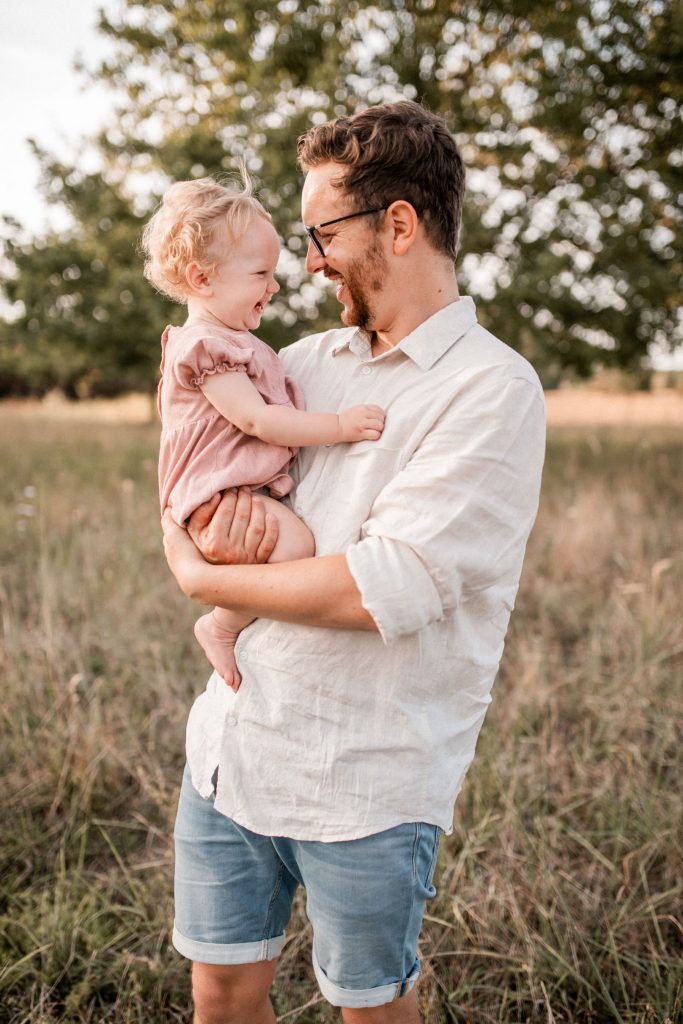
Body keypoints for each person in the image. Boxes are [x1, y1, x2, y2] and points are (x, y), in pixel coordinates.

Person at [161, 100, 546, 1024]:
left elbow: (379, 591)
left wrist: (205, 581)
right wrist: (186, 532)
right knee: (218, 989)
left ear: (400, 226)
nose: (306, 262)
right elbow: (192, 465)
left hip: (365, 784)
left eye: (321, 233)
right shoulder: (297, 359)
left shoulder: (491, 389)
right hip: (231, 757)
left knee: (370, 1010)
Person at [141, 177, 385, 690]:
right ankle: (221, 624)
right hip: (220, 498)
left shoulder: (230, 341)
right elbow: (258, 420)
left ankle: (225, 620)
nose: (274, 287)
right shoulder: (206, 348)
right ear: (201, 278)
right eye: (260, 274)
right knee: (295, 545)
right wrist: (339, 427)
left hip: (232, 493)